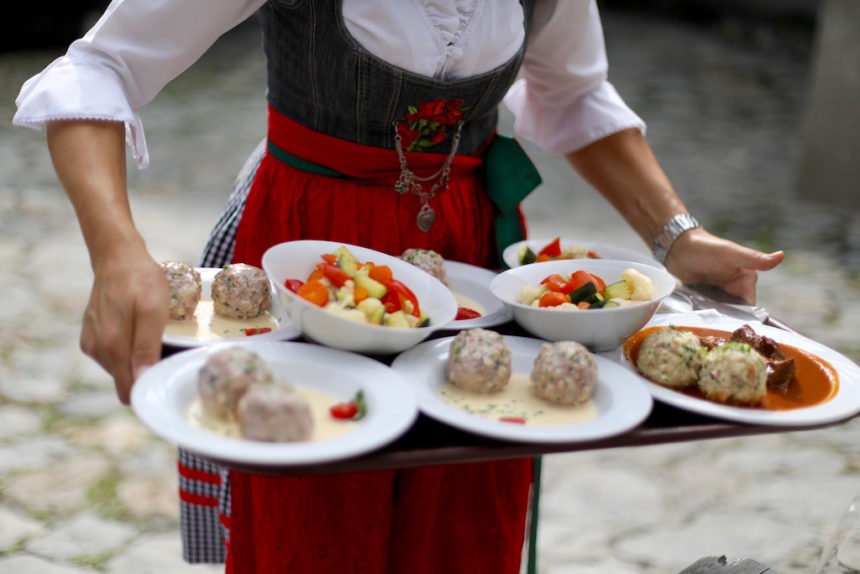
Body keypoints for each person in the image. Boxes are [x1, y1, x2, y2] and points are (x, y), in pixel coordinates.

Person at [15, 1, 784, 572]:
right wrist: (117, 254)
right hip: (311, 257)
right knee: (314, 530)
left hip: (471, 263)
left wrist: (679, 238)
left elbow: (576, 94)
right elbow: (100, 67)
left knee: (468, 521)